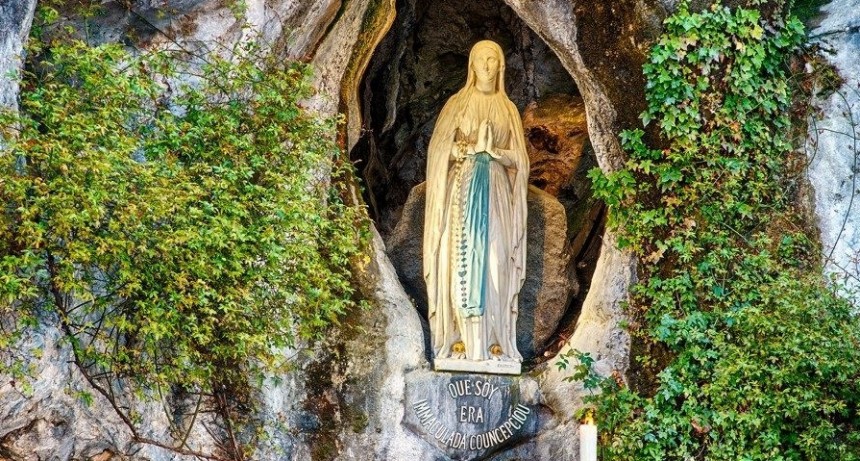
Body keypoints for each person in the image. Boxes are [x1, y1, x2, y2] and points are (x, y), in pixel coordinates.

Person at [423, 40, 528, 368]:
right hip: (462, 194)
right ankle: (460, 341)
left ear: (501, 66)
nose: (487, 66)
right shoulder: (457, 103)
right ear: (471, 65)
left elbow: (521, 160)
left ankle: (495, 341)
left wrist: (495, 153)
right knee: (459, 262)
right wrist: (462, 150)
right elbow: (438, 150)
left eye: (493, 59)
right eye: (481, 60)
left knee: (496, 262)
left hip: (495, 194)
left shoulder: (508, 109)